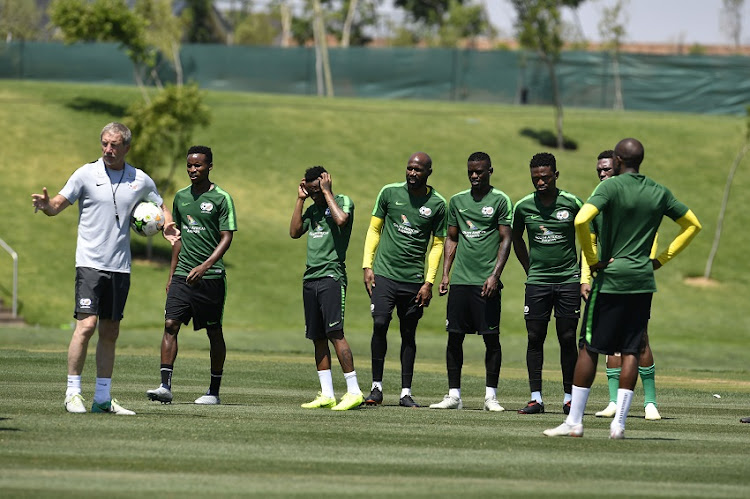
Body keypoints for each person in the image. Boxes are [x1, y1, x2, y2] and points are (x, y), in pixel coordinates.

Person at [545, 138, 701, 439]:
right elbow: (693, 224)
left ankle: (574, 421)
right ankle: (619, 424)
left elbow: (581, 219)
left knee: (590, 347)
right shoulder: (659, 191)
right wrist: (660, 260)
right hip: (642, 279)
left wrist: (593, 262)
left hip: (612, 278)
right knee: (632, 348)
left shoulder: (609, 187)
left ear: (617, 160)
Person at [31, 122, 179, 415]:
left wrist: (168, 225)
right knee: (86, 326)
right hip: (89, 264)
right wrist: (47, 205)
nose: (108, 150)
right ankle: (73, 393)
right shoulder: (86, 173)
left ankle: (102, 398)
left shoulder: (139, 179)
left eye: (114, 145)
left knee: (110, 332)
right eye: (105, 144)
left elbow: (160, 205)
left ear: (126, 147)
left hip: (120, 268)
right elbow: (59, 203)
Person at [146, 146, 236, 406]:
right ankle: (165, 386)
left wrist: (206, 266)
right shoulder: (181, 197)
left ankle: (213, 392)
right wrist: (172, 274)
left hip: (212, 277)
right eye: (189, 166)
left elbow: (227, 237)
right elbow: (178, 238)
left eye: (198, 165)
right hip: (183, 275)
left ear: (210, 166)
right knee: (170, 324)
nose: (193, 170)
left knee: (213, 331)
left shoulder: (222, 198)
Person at [582, 150, 661, 421]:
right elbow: (589, 239)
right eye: (599, 171)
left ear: (617, 166)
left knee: (640, 339)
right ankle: (614, 401)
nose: (603, 174)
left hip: (633, 277)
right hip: (606, 278)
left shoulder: (633, 196)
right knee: (609, 342)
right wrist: (586, 275)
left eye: (606, 169)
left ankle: (650, 402)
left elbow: (652, 233)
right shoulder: (599, 197)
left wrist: (649, 261)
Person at [429, 152, 512, 412]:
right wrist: (446, 274)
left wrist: (495, 275)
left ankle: (491, 397)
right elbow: (451, 238)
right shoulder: (457, 201)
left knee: (491, 339)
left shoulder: (500, 200)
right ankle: (454, 396)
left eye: (479, 171)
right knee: (454, 337)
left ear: (490, 171)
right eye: (471, 172)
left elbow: (505, 239)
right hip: (461, 282)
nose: (474, 176)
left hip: (486, 282)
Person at [363, 152, 447, 408]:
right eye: (409, 168)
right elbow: (374, 229)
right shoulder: (389, 193)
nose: (412, 173)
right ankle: (376, 388)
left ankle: (405, 392)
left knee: (408, 332)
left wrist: (429, 282)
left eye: (418, 170)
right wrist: (367, 265)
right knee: (379, 323)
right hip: (385, 274)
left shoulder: (438, 204)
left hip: (413, 280)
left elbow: (438, 243)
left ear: (428, 172)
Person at [512, 152, 582, 415]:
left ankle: (569, 398)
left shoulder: (572, 202)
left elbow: (589, 235)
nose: (540, 182)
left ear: (556, 175)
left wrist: (583, 272)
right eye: (535, 178)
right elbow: (515, 237)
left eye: (545, 177)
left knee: (566, 338)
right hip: (537, 282)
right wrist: (529, 267)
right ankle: (536, 399)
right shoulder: (523, 206)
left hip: (568, 280)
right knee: (534, 337)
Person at [289, 166, 364, 411]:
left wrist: (327, 192)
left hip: (332, 276)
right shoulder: (311, 208)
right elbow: (294, 232)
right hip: (310, 277)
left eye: (316, 190)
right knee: (317, 337)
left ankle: (354, 392)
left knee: (335, 333)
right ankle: (328, 394)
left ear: (326, 183)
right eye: (311, 192)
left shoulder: (342, 202)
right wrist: (300, 200)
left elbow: (342, 220)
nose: (314, 195)